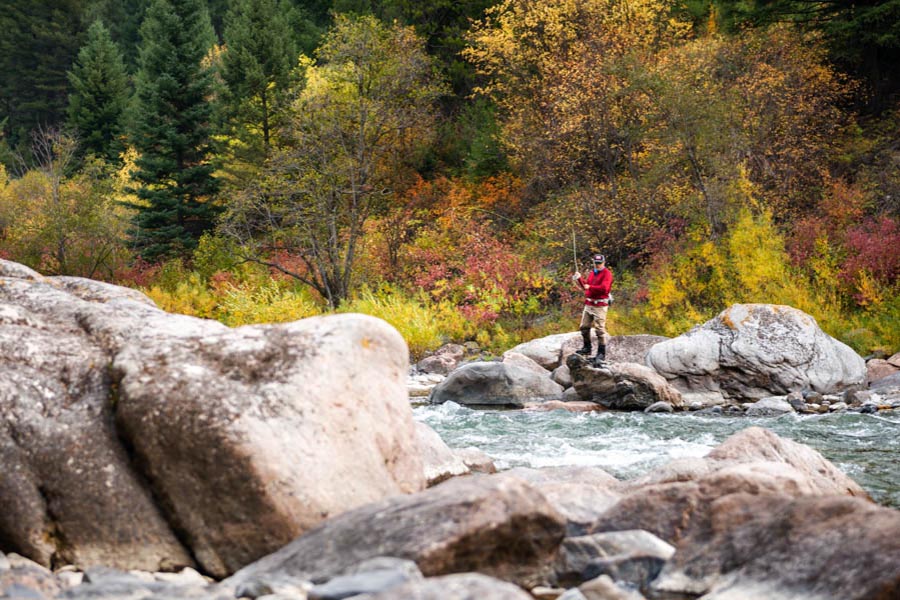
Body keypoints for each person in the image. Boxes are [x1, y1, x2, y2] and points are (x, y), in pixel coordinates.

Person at [572, 254, 613, 364]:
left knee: (599, 330)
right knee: (584, 327)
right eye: (596, 263)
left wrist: (590, 287)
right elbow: (586, 287)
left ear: (604, 263)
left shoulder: (607, 274)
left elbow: (604, 289)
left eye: (599, 263)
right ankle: (587, 348)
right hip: (589, 304)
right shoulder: (592, 273)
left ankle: (601, 353)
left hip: (600, 306)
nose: (597, 265)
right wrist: (579, 279)